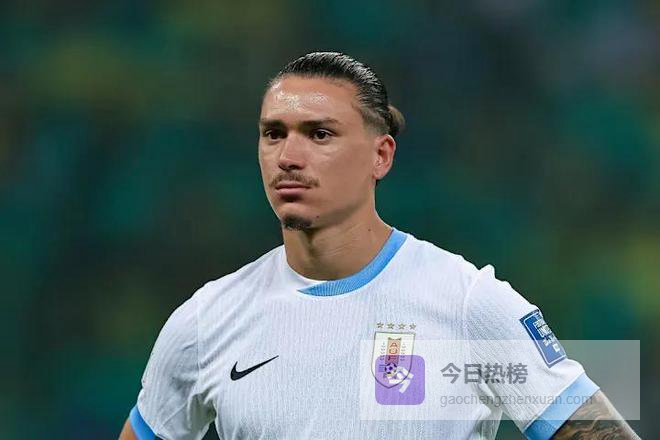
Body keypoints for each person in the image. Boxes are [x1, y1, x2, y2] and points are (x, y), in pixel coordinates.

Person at [119, 52, 639, 440]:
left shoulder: (467, 303)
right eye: (273, 133)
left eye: (320, 134)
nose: (288, 157)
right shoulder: (207, 322)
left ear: (381, 156)